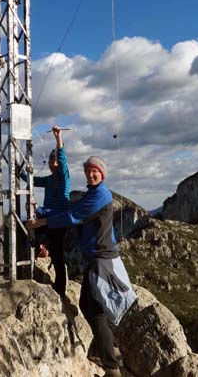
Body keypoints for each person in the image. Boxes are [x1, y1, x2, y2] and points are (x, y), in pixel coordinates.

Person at [27, 156, 136, 377]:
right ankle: (110, 349)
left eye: (94, 171)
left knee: (94, 310)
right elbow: (71, 209)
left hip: (101, 261)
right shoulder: (93, 194)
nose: (90, 174)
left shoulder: (101, 195)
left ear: (102, 174)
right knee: (88, 306)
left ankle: (112, 366)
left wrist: (40, 223)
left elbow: (72, 216)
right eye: (88, 171)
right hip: (96, 260)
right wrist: (41, 212)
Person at [21, 125, 70, 297]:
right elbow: (32, 181)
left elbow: (63, 161)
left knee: (58, 255)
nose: (53, 164)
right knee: (25, 228)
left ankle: (61, 289)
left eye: (55, 161)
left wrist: (58, 139)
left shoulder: (64, 177)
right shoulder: (49, 180)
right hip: (47, 215)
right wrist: (18, 170)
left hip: (59, 219)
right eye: (51, 161)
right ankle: (42, 248)